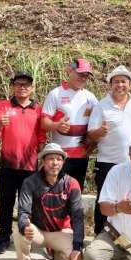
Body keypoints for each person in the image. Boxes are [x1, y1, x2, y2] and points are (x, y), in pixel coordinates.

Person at [87, 65, 131, 234]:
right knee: (104, 198)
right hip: (107, 162)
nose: (120, 85)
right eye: (116, 82)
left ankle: (130, 234)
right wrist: (100, 132)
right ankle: (100, 235)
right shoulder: (101, 105)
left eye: (123, 81)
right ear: (110, 84)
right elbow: (91, 134)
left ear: (130, 84)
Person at [0, 71, 46, 254]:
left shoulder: (38, 108)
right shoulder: (4, 106)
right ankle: (3, 238)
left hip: (30, 166)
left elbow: (41, 135)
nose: (22, 87)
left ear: (32, 88)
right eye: (18, 84)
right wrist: (0, 123)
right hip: (8, 164)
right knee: (5, 203)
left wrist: (42, 158)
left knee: (29, 206)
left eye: (26, 84)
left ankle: (27, 238)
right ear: (13, 87)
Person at [14, 143, 84, 260]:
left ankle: (58, 258)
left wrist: (77, 247)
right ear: (43, 161)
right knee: (18, 231)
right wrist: (24, 225)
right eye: (50, 158)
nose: (55, 163)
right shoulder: (30, 182)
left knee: (76, 256)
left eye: (59, 159)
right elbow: (23, 211)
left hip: (60, 232)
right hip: (38, 232)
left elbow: (78, 217)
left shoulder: (71, 183)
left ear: (63, 162)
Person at [41, 58, 98, 190]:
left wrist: (91, 145)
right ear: (70, 71)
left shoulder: (90, 97)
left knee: (76, 192)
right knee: (58, 192)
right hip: (60, 155)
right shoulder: (55, 94)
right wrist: (56, 126)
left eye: (86, 76)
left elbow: (98, 122)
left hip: (82, 155)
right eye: (80, 74)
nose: (83, 78)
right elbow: (44, 123)